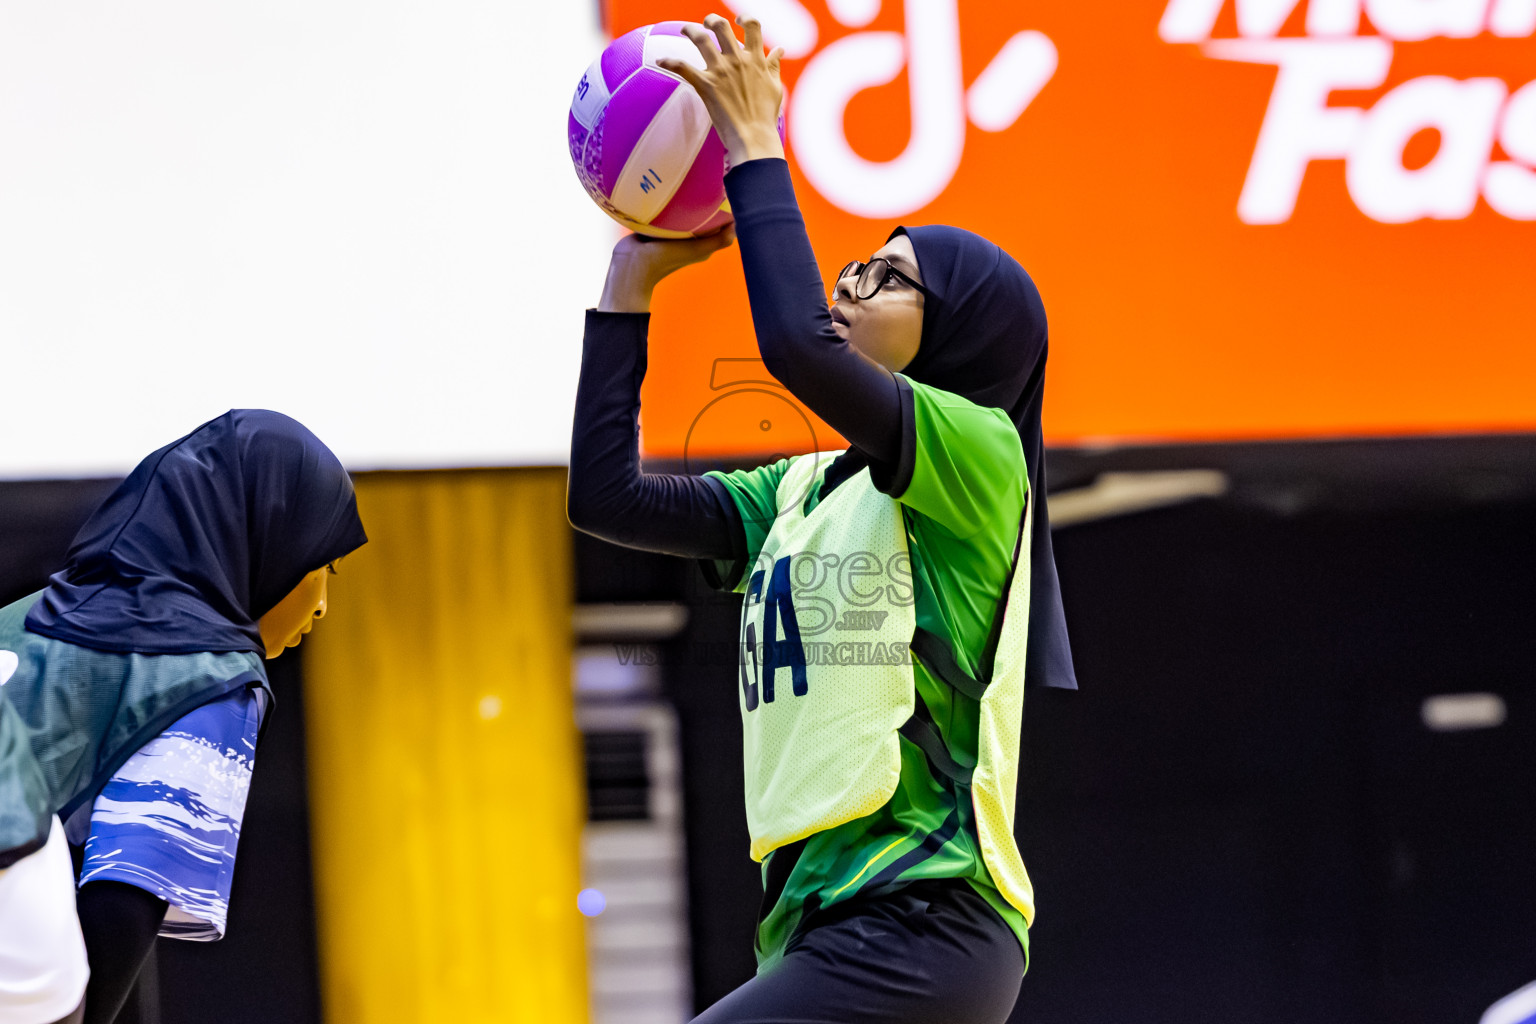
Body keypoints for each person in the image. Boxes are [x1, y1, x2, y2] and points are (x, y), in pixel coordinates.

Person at [567, 13, 1077, 1023]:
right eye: (859, 261)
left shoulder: (981, 455)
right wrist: (629, 288)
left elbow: (800, 350)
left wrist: (756, 150)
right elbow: (606, 500)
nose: (852, 278)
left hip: (924, 923)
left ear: (962, 336)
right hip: (820, 926)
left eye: (892, 277)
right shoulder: (797, 492)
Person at [0, 410, 367, 1024]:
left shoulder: (14, 619)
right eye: (324, 565)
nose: (324, 605)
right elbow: (125, 899)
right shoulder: (209, 676)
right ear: (267, 538)